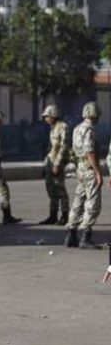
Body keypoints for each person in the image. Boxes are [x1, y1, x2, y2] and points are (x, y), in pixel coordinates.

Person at [64, 101, 103, 249]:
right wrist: (97, 172)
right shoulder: (90, 130)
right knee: (93, 202)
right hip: (89, 169)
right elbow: (89, 152)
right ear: (94, 115)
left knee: (78, 200)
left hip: (80, 168)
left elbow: (74, 151)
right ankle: (86, 236)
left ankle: (71, 234)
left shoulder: (77, 128)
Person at [39, 105, 71, 225]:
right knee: (51, 189)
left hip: (58, 162)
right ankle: (53, 215)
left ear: (53, 116)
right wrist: (45, 164)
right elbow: (51, 148)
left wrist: (57, 164)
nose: (45, 119)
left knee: (60, 188)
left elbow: (64, 147)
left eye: (47, 116)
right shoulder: (53, 128)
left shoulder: (63, 127)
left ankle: (65, 215)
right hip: (50, 161)